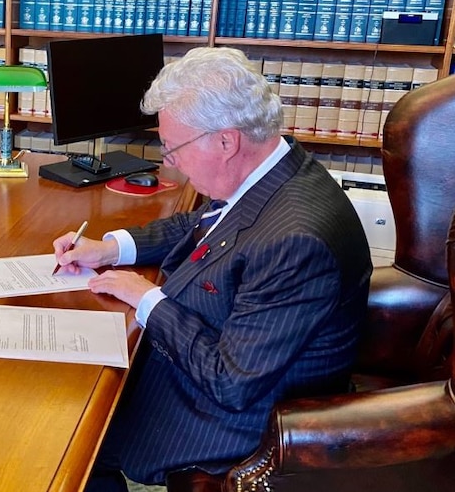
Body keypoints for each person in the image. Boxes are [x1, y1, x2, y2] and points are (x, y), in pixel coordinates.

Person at [52, 47, 372, 491]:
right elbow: (200, 223)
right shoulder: (275, 170)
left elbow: (231, 383)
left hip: (234, 423)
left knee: (68, 438)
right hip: (208, 377)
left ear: (226, 141)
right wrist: (109, 249)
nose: (168, 161)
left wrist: (147, 300)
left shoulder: (295, 241)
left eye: (173, 147)